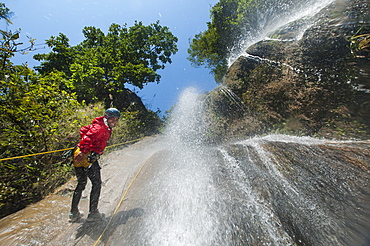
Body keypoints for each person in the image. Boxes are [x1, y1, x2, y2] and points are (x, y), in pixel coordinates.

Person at [69, 108, 120, 222]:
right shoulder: (100, 127)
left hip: (80, 154)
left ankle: (74, 212)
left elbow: (83, 130)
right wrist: (84, 150)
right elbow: (88, 137)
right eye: (112, 119)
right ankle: (93, 213)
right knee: (96, 184)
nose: (115, 122)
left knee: (81, 183)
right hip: (86, 156)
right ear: (106, 117)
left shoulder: (99, 125)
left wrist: (81, 148)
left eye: (116, 120)